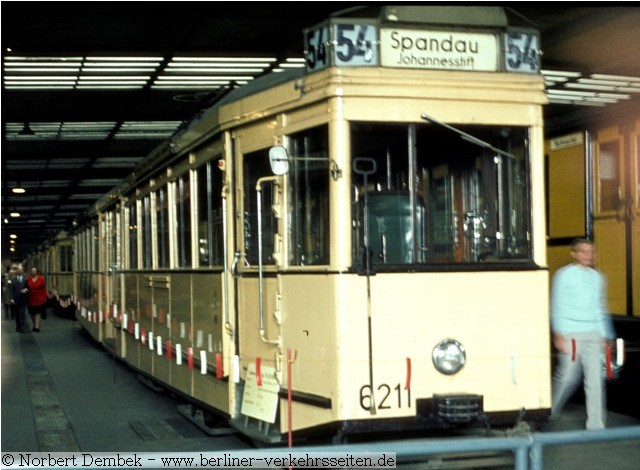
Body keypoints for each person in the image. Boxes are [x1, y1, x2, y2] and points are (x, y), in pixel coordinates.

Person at [550, 238, 615, 430]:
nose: (589, 255)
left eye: (591, 252)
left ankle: (596, 425)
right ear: (574, 254)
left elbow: (600, 307)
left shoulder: (598, 277)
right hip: (571, 334)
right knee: (568, 377)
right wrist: (558, 334)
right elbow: (556, 305)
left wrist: (606, 334)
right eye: (584, 252)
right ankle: (550, 410)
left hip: (593, 334)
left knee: (596, 380)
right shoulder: (563, 275)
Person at [27, 267, 47, 332]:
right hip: (31, 299)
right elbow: (25, 287)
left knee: (38, 313)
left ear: (36, 272)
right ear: (30, 272)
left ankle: (37, 327)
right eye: (32, 271)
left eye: (35, 271)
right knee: (32, 313)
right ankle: (34, 324)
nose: (33, 272)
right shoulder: (27, 279)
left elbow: (44, 289)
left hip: (39, 299)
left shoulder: (41, 279)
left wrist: (44, 298)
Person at [10, 264, 29, 332]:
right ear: (17, 271)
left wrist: (26, 290)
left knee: (22, 313)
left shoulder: (26, 278)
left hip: (23, 298)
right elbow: (11, 289)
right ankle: (18, 326)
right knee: (17, 314)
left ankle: (22, 327)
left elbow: (28, 287)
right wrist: (11, 298)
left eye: (21, 269)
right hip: (16, 299)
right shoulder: (13, 279)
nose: (19, 271)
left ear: (23, 270)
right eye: (18, 269)